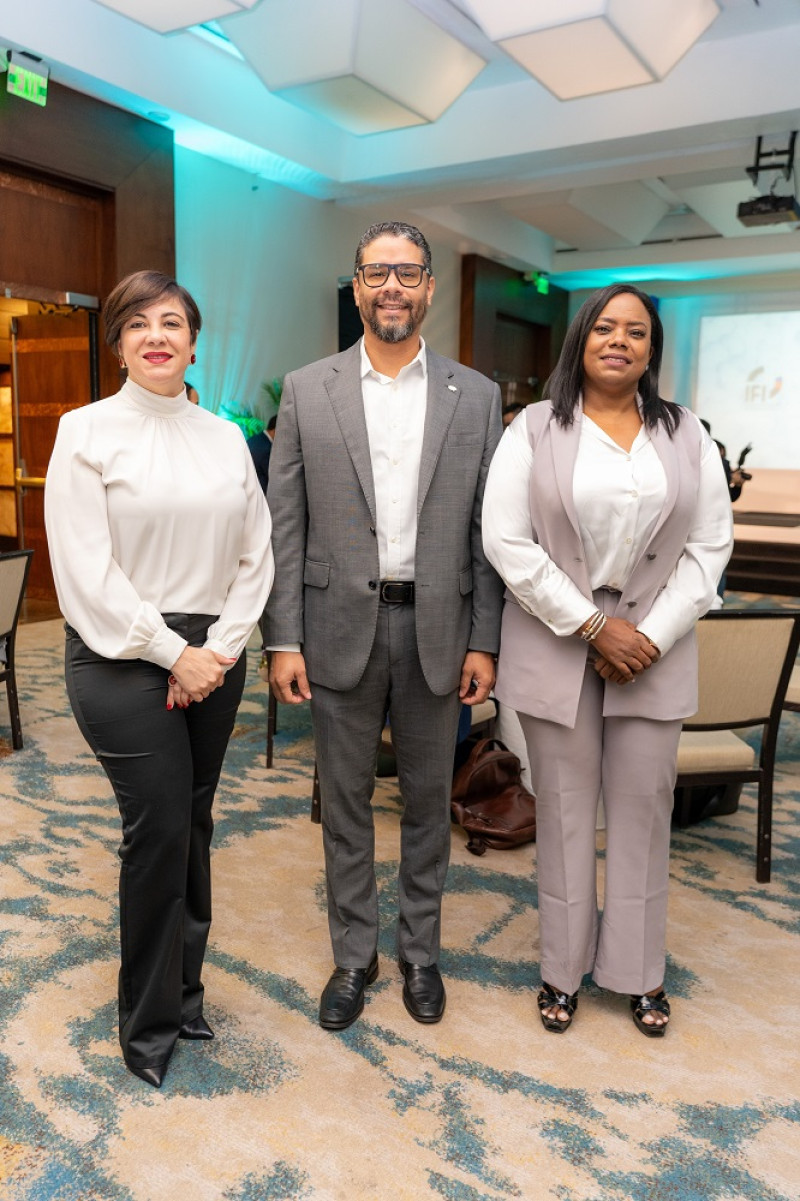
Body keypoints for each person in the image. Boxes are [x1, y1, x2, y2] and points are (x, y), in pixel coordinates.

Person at [264, 220, 503, 1030]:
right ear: (357, 286)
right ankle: (354, 955)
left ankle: (421, 955)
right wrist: (283, 637)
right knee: (346, 803)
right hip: (335, 630)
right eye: (376, 273)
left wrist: (486, 638)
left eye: (407, 272)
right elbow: (284, 525)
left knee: (431, 803)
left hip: (440, 631)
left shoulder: (475, 395)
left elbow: (485, 530)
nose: (392, 287)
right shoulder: (307, 388)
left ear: (430, 287)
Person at [482, 283, 733, 1038]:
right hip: (557, 639)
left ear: (652, 349)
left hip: (654, 647)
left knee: (643, 814)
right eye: (605, 328)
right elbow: (506, 541)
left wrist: (646, 635)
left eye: (636, 331)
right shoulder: (531, 428)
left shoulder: (688, 433)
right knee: (560, 812)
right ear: (581, 340)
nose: (619, 341)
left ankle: (638, 972)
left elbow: (709, 545)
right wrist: (594, 625)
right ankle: (561, 969)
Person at [45, 270, 274, 1088]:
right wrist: (168, 652)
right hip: (117, 653)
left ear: (193, 340)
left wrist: (216, 648)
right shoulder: (83, 430)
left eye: (171, 321)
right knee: (161, 827)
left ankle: (185, 992)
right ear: (117, 343)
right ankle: (145, 1024)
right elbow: (84, 571)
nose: (156, 334)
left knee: (197, 823)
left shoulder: (224, 437)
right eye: (137, 322)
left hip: (214, 650)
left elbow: (257, 553)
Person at [247, 413, 277, 495]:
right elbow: (273, 477)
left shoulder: (253, 439)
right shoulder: (267, 448)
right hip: (260, 494)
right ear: (276, 431)